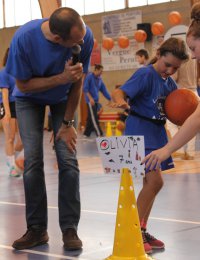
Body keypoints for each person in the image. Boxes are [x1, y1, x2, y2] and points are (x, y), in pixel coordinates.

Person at [5, 7, 94, 250]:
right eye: (75, 42)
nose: (82, 43)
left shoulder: (83, 36)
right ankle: (36, 230)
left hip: (64, 97)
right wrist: (60, 79)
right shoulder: (24, 39)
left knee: (68, 158)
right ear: (58, 39)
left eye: (82, 36)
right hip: (29, 98)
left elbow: (78, 82)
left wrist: (67, 124)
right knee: (32, 161)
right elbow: (23, 84)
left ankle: (69, 229)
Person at [111, 37, 188, 254]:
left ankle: (141, 229)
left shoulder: (170, 84)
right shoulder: (145, 74)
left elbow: (176, 111)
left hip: (157, 133)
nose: (170, 70)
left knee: (152, 182)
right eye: (167, 64)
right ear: (159, 54)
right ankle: (133, 230)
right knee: (155, 181)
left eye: (175, 67)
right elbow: (120, 92)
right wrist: (120, 100)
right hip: (139, 131)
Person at [142, 2, 200, 172]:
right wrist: (166, 150)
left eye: (194, 48)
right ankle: (185, 151)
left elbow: (197, 119)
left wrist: (166, 150)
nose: (194, 56)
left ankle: (183, 151)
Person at [0, 48, 23, 177]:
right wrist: (7, 113)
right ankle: (12, 166)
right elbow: (4, 94)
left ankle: (11, 159)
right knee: (10, 138)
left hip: (20, 104)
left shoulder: (20, 72)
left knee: (23, 140)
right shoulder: (3, 73)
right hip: (7, 105)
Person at [170, 55, 197, 159]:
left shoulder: (179, 59)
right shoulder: (193, 58)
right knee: (192, 123)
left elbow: (174, 77)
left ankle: (179, 149)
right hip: (194, 92)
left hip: (182, 94)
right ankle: (190, 153)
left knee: (170, 123)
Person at [83, 64, 111, 137]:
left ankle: (86, 133)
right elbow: (85, 89)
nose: (101, 73)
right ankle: (99, 134)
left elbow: (104, 90)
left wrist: (110, 99)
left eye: (102, 71)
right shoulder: (89, 77)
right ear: (96, 70)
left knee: (90, 118)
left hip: (96, 101)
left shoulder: (100, 79)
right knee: (94, 118)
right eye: (100, 71)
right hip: (90, 101)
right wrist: (90, 98)